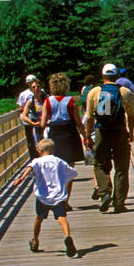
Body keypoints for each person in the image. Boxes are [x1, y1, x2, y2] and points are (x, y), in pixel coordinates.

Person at [85, 63, 134, 214]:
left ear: (103, 76)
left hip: (102, 132)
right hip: (120, 132)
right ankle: (119, 202)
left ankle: (105, 192)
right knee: (121, 167)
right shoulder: (125, 92)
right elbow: (131, 116)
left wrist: (88, 136)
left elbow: (89, 118)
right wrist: (131, 133)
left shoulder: (95, 92)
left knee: (100, 163)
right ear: (116, 76)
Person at [13, 138, 78, 257]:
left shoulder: (37, 161)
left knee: (39, 218)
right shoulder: (59, 161)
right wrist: (63, 181)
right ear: (53, 150)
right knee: (62, 217)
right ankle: (67, 236)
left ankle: (35, 241)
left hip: (43, 196)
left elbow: (29, 168)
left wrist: (21, 178)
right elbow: (72, 172)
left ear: (39, 151)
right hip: (58, 195)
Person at [39, 72, 84, 207]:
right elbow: (78, 121)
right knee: (69, 170)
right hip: (69, 133)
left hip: (55, 134)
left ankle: (57, 199)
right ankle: (65, 201)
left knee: (56, 169)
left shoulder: (48, 101)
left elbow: (42, 123)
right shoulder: (71, 101)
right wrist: (86, 135)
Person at [17, 75, 44, 158]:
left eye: (38, 86)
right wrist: (31, 120)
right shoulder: (24, 95)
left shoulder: (44, 94)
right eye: (32, 85)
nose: (36, 88)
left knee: (45, 142)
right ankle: (34, 157)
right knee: (33, 141)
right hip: (31, 122)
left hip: (44, 123)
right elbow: (21, 109)